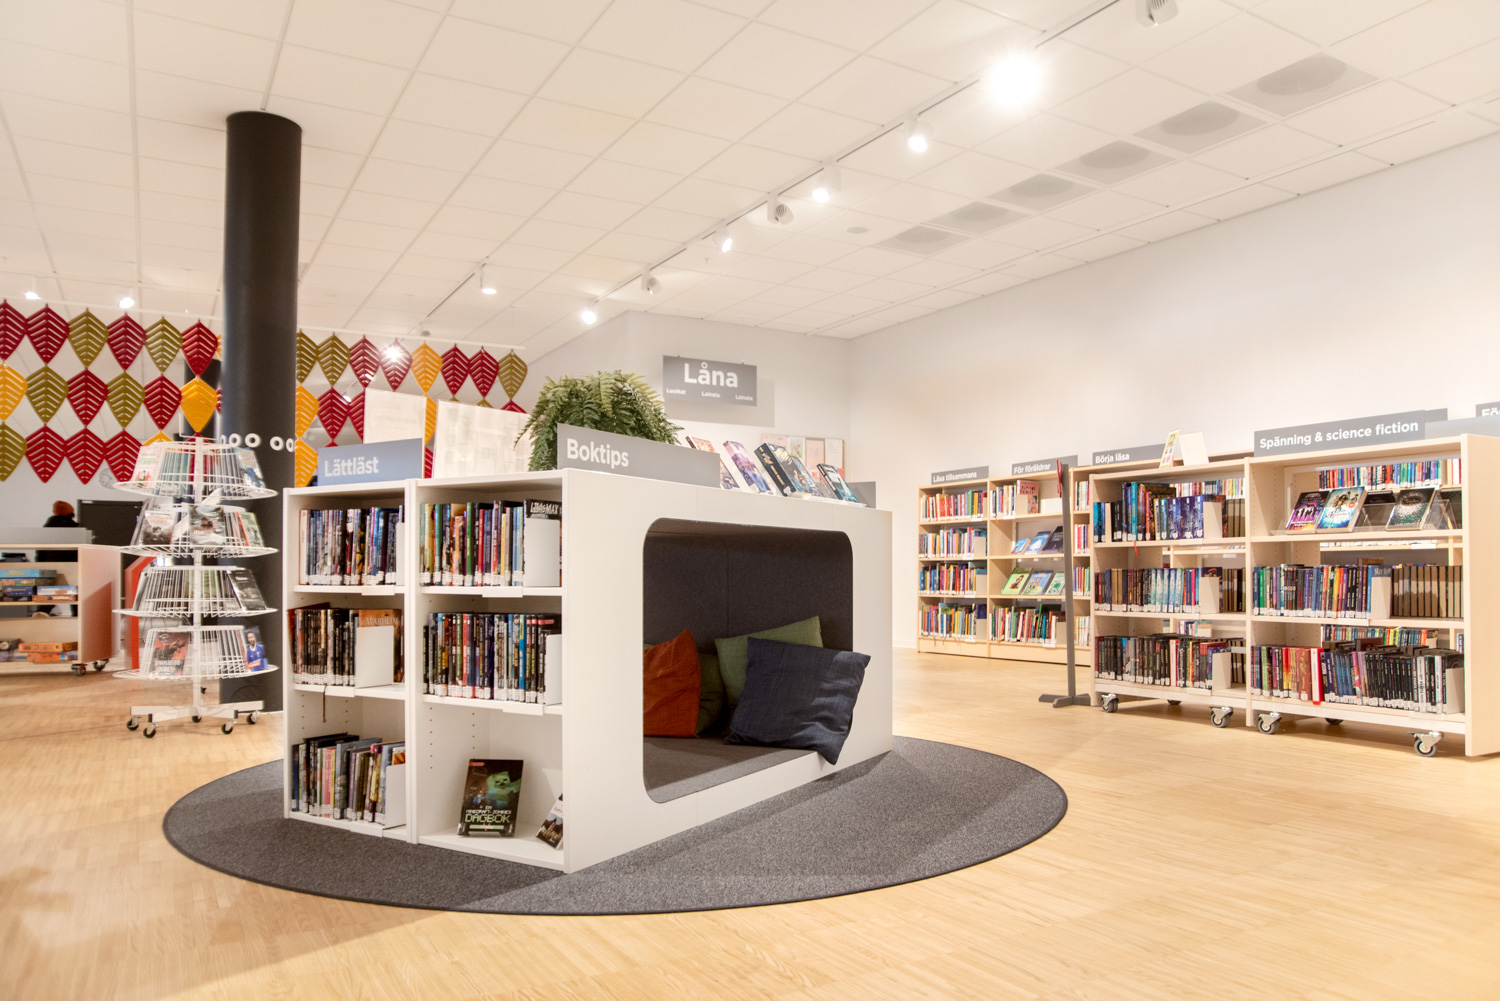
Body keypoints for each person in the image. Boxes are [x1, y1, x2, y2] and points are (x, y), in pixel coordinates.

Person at [35, 501, 78, 614]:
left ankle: (42, 612)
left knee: (50, 591)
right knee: (74, 591)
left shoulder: (48, 527)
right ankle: (77, 616)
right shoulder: (72, 527)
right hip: (70, 564)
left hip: (50, 564)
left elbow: (41, 550)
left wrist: (39, 565)